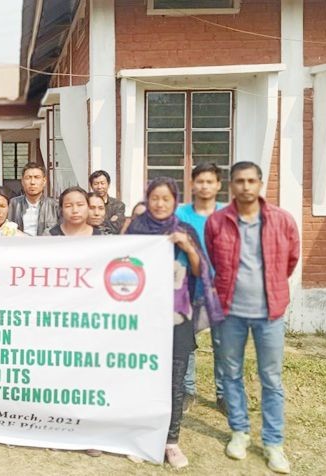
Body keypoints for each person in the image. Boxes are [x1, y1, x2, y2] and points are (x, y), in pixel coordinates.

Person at [205, 162, 299, 474]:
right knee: (231, 374)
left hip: (269, 314)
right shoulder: (217, 221)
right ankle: (240, 432)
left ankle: (273, 443)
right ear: (231, 186)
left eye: (251, 181)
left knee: (271, 378)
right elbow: (214, 258)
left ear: (260, 184)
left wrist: (270, 287)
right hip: (230, 312)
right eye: (239, 181)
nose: (245, 186)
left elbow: (291, 259)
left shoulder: (282, 220)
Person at [125, 177, 223, 469]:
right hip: (142, 317)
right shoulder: (136, 229)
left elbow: (201, 269)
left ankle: (171, 440)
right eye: (154, 198)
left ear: (175, 201)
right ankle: (142, 436)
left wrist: (188, 247)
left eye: (166, 199)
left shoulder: (185, 230)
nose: (159, 204)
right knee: (142, 376)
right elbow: (121, 265)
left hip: (178, 314)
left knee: (175, 377)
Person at [175, 162, 227, 415]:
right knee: (187, 343)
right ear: (192, 184)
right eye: (200, 181)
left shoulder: (228, 215)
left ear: (218, 185)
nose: (205, 186)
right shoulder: (179, 214)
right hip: (187, 288)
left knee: (224, 343)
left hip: (221, 290)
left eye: (210, 181)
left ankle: (224, 393)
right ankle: (188, 390)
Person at [8, 162, 59, 236]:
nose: (32, 182)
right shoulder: (13, 204)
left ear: (44, 181)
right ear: (22, 181)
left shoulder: (54, 206)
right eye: (28, 178)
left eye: (37, 177)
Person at [89, 170, 125, 234]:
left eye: (102, 183)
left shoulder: (118, 205)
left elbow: (116, 228)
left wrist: (94, 221)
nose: (99, 187)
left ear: (108, 184)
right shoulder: (86, 202)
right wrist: (109, 221)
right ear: (91, 186)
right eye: (96, 184)